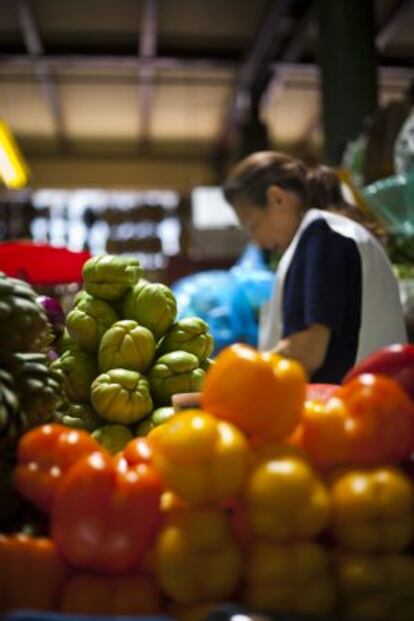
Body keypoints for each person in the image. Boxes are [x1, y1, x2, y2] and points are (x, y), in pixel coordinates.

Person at [223, 151, 407, 383]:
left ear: (277, 198)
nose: (258, 241)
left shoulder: (320, 235)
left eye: (253, 225)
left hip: (357, 407)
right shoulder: (329, 233)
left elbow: (308, 351)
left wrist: (239, 376)